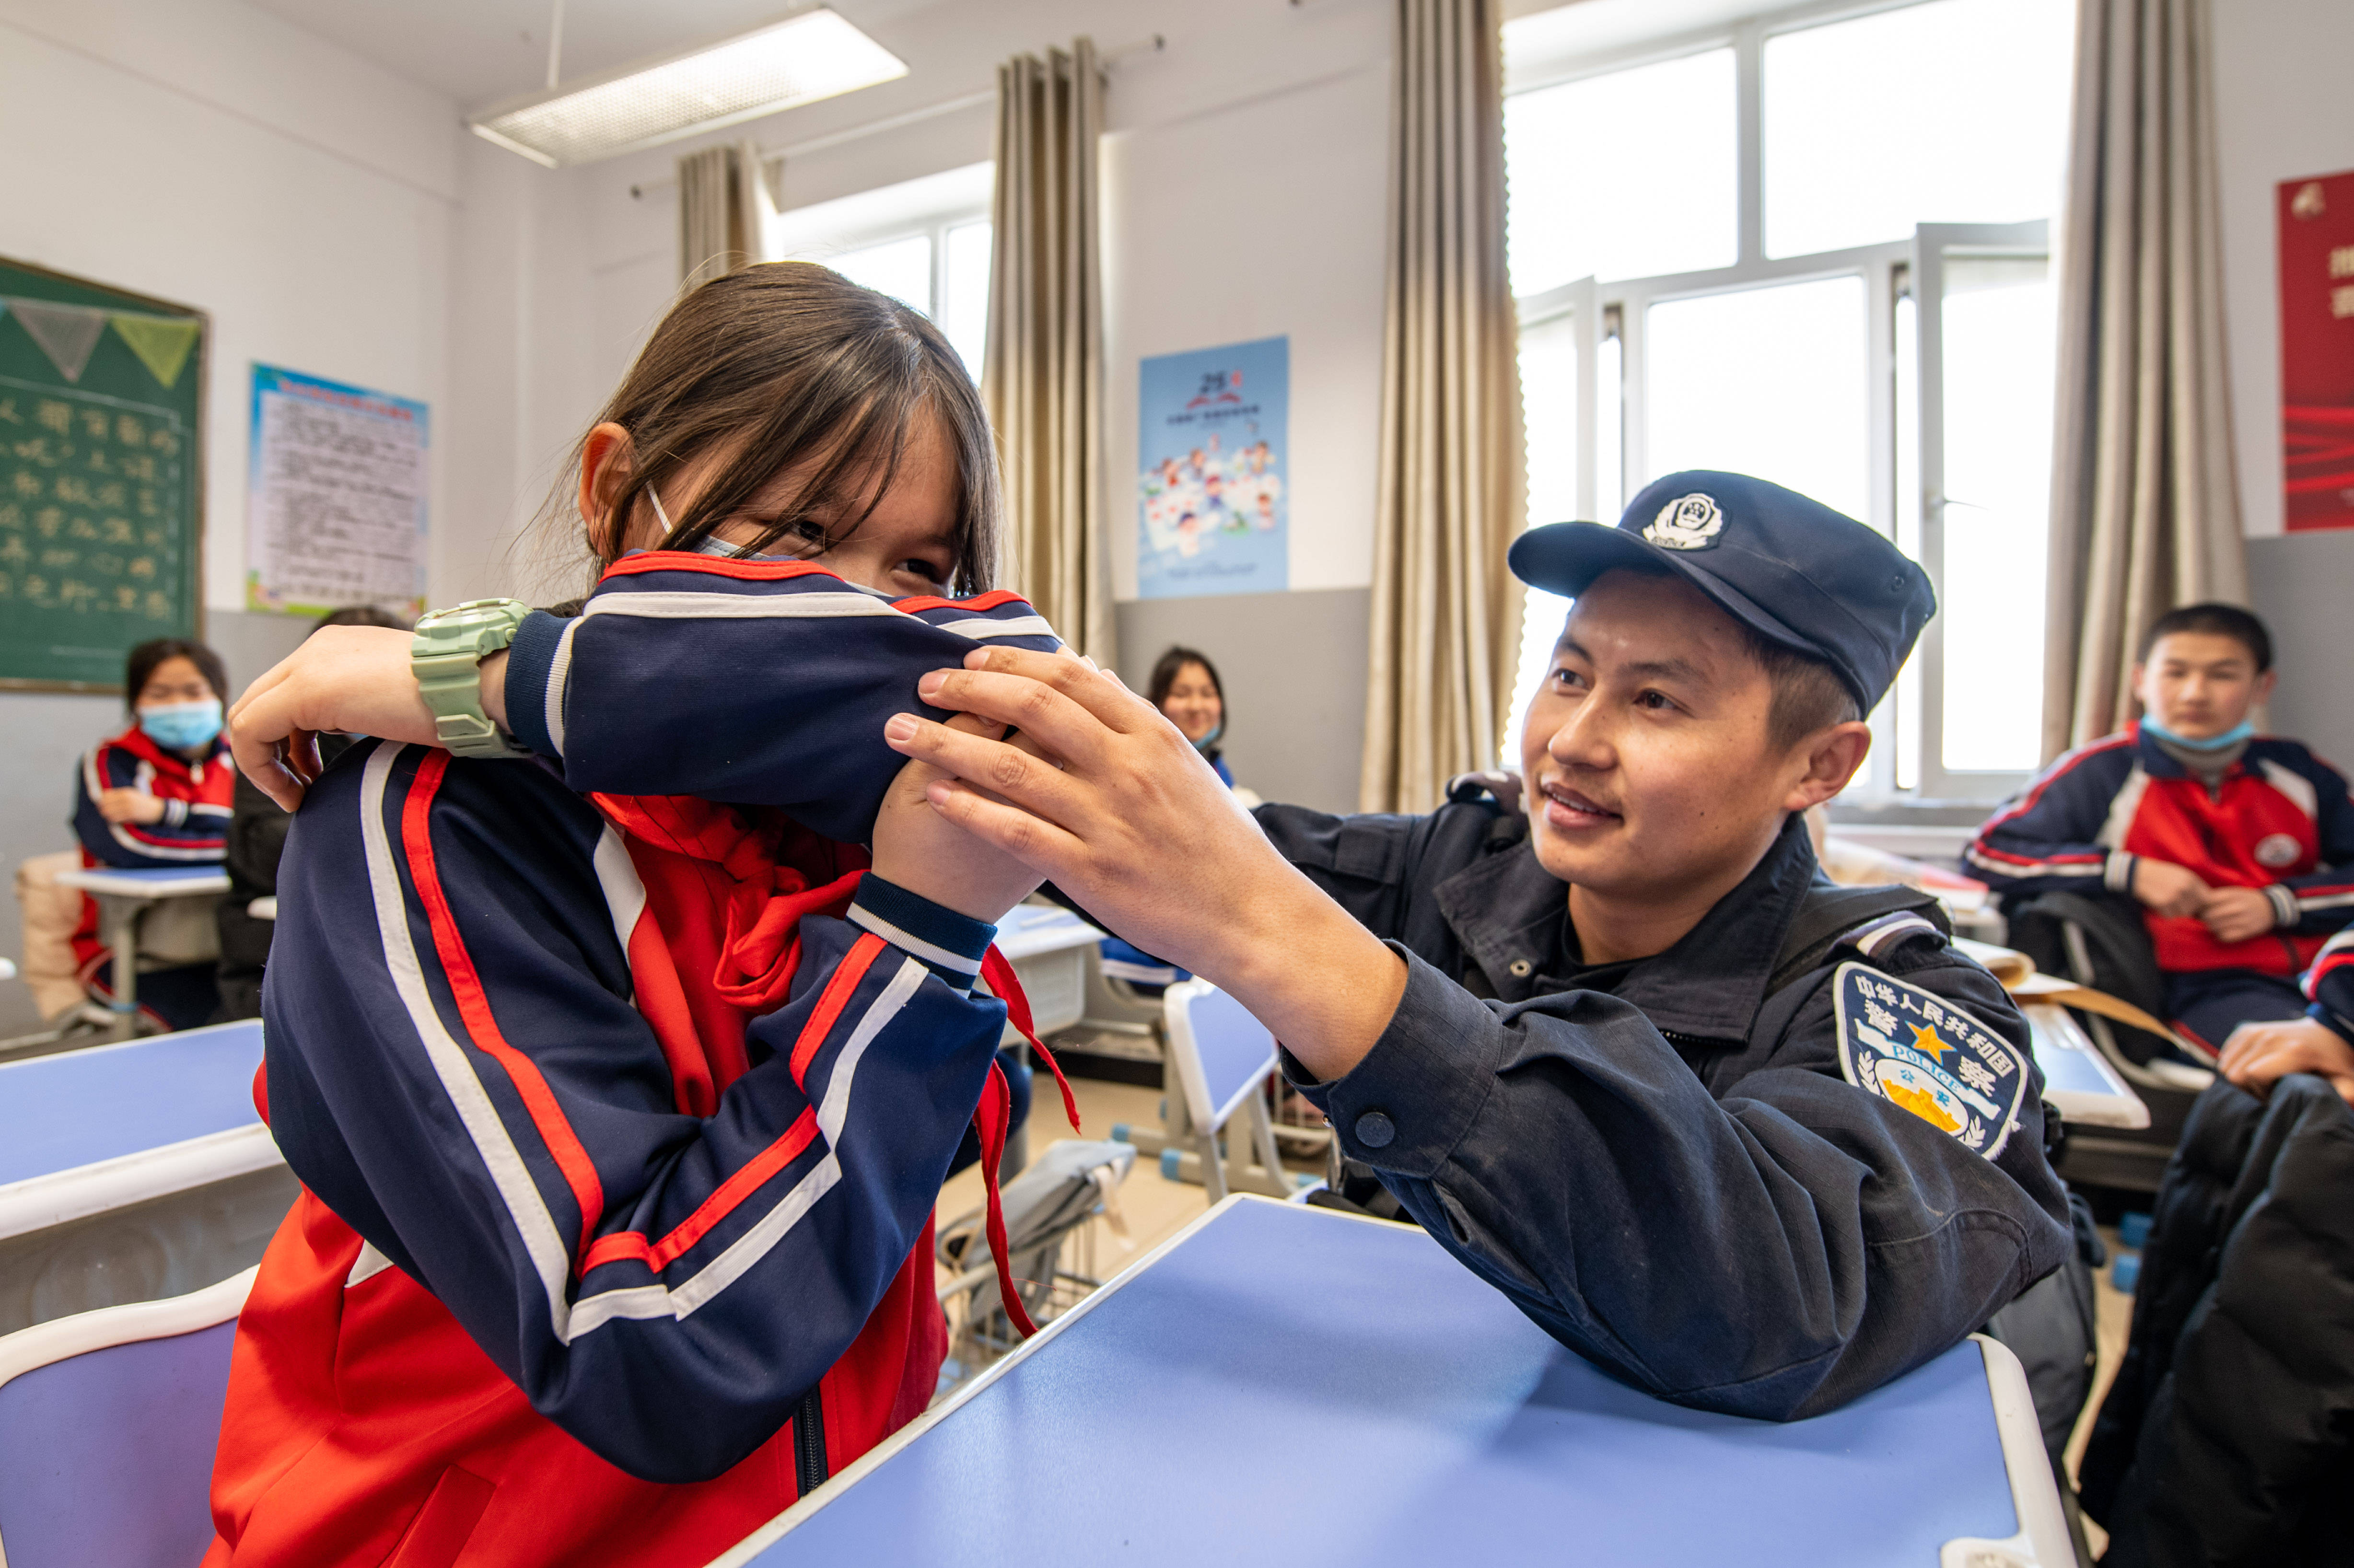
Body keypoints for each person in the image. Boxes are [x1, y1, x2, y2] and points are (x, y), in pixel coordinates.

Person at [207, 263, 1079, 1568]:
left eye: (917, 567)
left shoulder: (832, 813)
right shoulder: (428, 813)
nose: (851, 611)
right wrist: (912, 943)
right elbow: (648, 1340)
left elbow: (1030, 659)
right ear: (617, 492)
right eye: (792, 533)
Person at [881, 470, 2074, 1420]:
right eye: (1568, 673)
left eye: (1655, 700)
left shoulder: (1897, 1005)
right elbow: (1170, 851)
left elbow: (1786, 1294)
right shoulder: (1464, 868)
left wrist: (1303, 955)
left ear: (1819, 764)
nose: (1573, 739)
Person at [1965, 604, 2354, 1061]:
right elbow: (1988, 853)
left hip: (2326, 977)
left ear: (2262, 686)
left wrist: (2280, 904)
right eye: (2176, 672)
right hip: (2199, 988)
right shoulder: (2102, 770)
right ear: (2141, 681)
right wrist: (2127, 872)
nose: (2195, 693)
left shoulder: (2301, 772)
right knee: (2304, 1068)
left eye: (2222, 675)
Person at [213, 605, 412, 1022]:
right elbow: (272, 849)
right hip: (275, 960)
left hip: (392, 960)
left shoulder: (422, 744)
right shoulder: (275, 741)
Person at [69, 636, 234, 1032]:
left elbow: (276, 836)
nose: (178, 704)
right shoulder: (112, 761)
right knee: (212, 1026)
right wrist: (232, 835)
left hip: (229, 945)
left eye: (193, 691)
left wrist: (167, 812)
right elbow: (130, 847)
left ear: (219, 695)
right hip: (129, 953)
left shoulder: (246, 758)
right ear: (136, 701)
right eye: (160, 693)